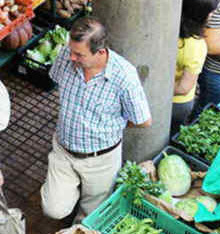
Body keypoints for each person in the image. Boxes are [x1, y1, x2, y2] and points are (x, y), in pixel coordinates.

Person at [40, 15, 152, 222]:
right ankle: (71, 200)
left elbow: (143, 120)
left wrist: (113, 125)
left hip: (101, 159)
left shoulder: (124, 77)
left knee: (90, 216)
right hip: (63, 151)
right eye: (71, 50)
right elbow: (55, 77)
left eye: (79, 54)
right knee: (53, 209)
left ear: (100, 52)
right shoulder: (66, 56)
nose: (71, 57)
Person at [172, 0, 219, 137]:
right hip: (177, 103)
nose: (213, 15)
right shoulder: (196, 46)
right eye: (211, 12)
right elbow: (183, 87)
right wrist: (158, 91)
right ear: (200, 15)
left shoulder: (166, 26)